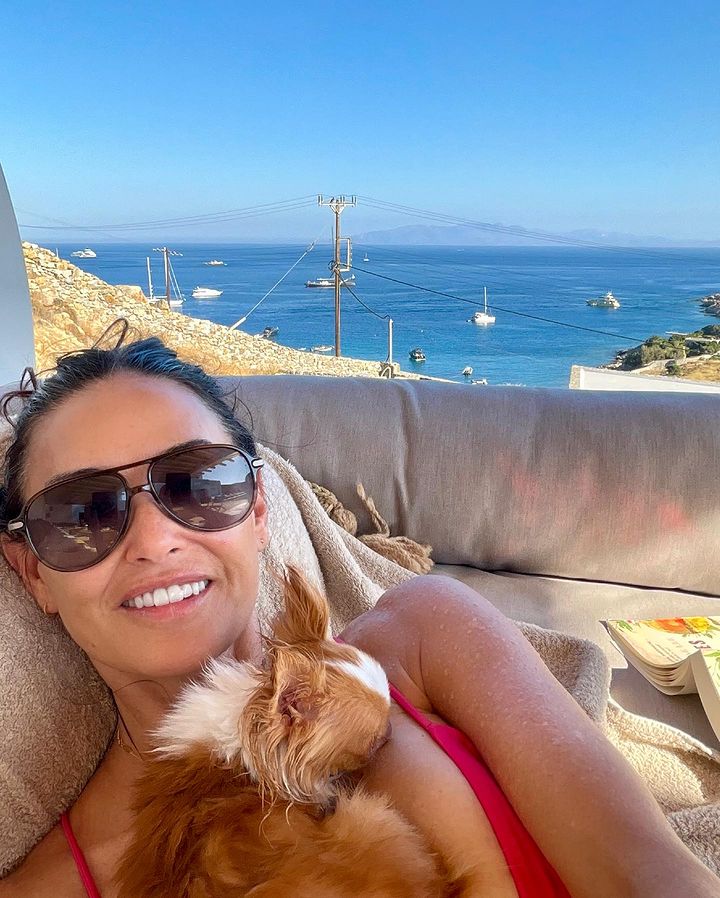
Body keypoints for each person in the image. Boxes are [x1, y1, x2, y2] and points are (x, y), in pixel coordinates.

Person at [0, 330, 716, 898]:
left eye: (197, 483)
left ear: (258, 510)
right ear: (32, 571)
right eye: (82, 513)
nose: (155, 540)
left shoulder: (424, 635)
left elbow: (649, 874)